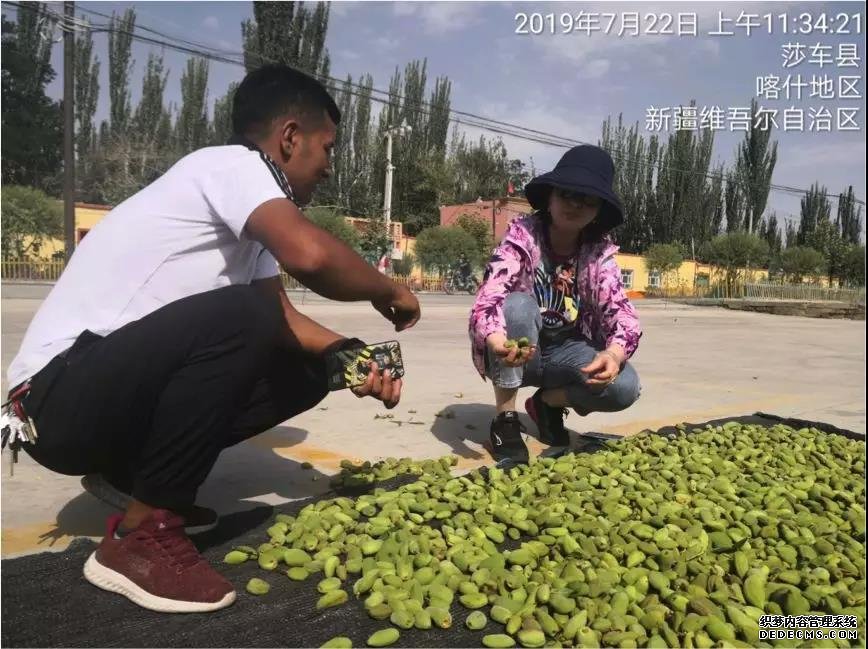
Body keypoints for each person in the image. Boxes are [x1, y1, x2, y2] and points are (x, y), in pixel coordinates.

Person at [5, 64, 420, 613]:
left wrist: (352, 358)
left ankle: (132, 478)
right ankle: (141, 540)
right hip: (52, 403)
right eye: (327, 148)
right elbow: (312, 258)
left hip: (98, 401)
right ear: (289, 137)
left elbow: (285, 320)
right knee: (247, 316)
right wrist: (388, 290)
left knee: (312, 364)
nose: (328, 168)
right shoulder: (232, 165)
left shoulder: (252, 225)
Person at [468, 145, 642, 466]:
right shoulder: (523, 237)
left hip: (566, 352)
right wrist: (496, 341)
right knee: (518, 306)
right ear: (550, 197)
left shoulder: (598, 256)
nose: (575, 205)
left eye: (587, 199)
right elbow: (489, 296)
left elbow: (625, 319)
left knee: (626, 386)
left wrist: (613, 355)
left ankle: (547, 403)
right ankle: (506, 419)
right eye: (567, 194)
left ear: (598, 210)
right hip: (520, 350)